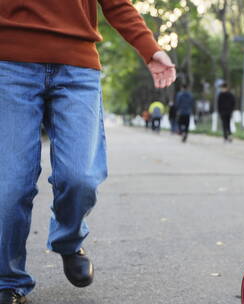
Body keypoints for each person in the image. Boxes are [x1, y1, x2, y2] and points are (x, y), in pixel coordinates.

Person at [0, 1, 176, 303]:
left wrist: (149, 48)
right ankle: (9, 279)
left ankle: (68, 240)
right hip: (9, 63)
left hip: (77, 68)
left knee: (80, 176)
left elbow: (116, 3)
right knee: (11, 185)